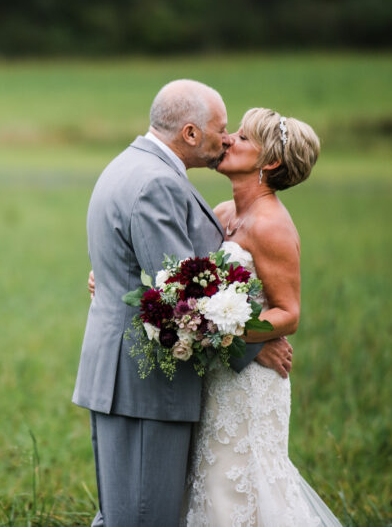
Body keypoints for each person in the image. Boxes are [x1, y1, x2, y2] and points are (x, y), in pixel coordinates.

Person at [72, 80, 293, 527]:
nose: (226, 138)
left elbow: (152, 272)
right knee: (142, 517)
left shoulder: (128, 164)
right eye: (221, 129)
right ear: (190, 134)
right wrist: (252, 343)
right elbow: (180, 297)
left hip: (128, 381)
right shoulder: (158, 183)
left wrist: (116, 281)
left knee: (124, 514)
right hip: (143, 386)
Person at [180, 107, 339, 526]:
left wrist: (225, 334)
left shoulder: (272, 226)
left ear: (269, 162)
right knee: (209, 483)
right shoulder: (224, 213)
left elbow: (288, 315)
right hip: (218, 377)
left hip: (251, 387)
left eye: (244, 138)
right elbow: (183, 280)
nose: (228, 138)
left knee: (241, 485)